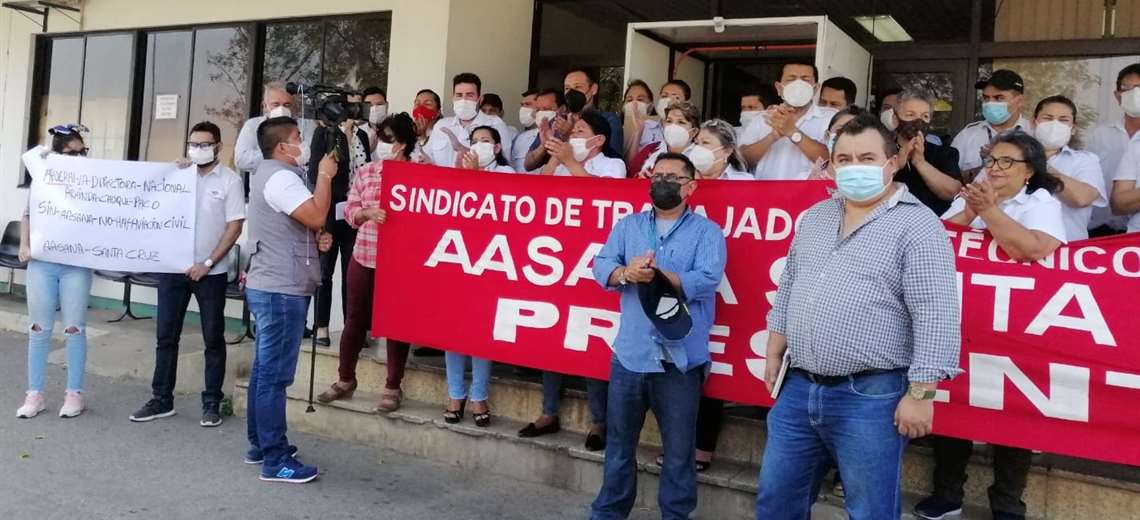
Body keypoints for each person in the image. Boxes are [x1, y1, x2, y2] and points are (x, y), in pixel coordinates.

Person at [756, 113, 961, 519]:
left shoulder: (918, 225)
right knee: (776, 502)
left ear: (892, 162)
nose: (854, 168)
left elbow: (935, 313)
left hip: (870, 396)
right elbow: (791, 286)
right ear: (831, 166)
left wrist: (921, 394)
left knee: (870, 511)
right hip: (798, 388)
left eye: (866, 157)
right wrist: (774, 351)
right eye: (844, 159)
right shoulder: (816, 218)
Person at [920, 132, 1065, 520]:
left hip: (1016, 325)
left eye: (1007, 162)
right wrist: (970, 209)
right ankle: (947, 494)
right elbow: (937, 241)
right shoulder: (971, 196)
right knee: (955, 404)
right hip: (963, 319)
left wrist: (990, 212)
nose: (995, 168)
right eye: (991, 161)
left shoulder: (1040, 203)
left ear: (1029, 171)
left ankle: (1007, 503)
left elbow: (1032, 249)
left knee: (1013, 414)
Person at [589, 152, 727, 520]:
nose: (662, 182)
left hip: (679, 360)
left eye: (673, 177)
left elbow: (708, 278)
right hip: (630, 356)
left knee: (679, 453)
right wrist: (625, 272)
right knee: (619, 448)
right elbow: (600, 265)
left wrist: (665, 278)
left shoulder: (707, 233)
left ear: (691, 187)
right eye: (658, 175)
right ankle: (608, 513)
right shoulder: (628, 225)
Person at [128, 122, 245, 427]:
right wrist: (170, 170)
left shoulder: (230, 181)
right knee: (166, 336)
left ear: (218, 147)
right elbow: (151, 204)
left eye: (204, 145)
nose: (197, 149)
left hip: (211, 271)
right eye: (193, 144)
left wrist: (207, 262)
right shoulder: (178, 176)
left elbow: (234, 226)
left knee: (212, 338)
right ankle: (161, 399)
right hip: (173, 269)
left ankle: (211, 402)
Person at [243, 116, 336, 483]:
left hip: (275, 283)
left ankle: (259, 444)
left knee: (264, 372)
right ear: (282, 146)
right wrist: (326, 176)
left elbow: (302, 224)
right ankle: (275, 458)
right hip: (281, 289)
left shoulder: (270, 175)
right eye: (298, 138)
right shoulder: (281, 177)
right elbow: (315, 213)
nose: (304, 143)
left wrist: (318, 238)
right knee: (274, 377)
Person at [316, 113, 415, 412]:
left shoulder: (421, 172)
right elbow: (350, 208)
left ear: (403, 143)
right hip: (365, 254)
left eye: (389, 139)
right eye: (380, 138)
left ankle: (392, 386)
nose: (382, 144)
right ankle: (346, 379)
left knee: (397, 324)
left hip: (402, 261)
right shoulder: (367, 171)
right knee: (355, 321)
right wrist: (366, 214)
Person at [16, 124, 94, 419]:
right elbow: (27, 215)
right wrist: (24, 245)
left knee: (75, 328)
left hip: (76, 264)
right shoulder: (43, 179)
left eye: (82, 151)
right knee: (39, 328)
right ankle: (34, 394)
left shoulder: (91, 182)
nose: (78, 157)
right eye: (71, 152)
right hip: (43, 262)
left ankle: (74, 393)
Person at [306, 112, 371, 347]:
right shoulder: (325, 133)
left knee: (351, 272)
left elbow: (366, 170)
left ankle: (352, 327)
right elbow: (315, 172)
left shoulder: (362, 135)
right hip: (330, 207)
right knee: (325, 269)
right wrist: (342, 136)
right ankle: (321, 326)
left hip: (355, 210)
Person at [740, 61, 835, 180]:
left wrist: (792, 132)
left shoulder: (831, 119)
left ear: (816, 88)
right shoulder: (761, 119)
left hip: (811, 196)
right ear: (779, 88)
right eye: (791, 79)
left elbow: (834, 159)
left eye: (805, 80)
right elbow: (742, 161)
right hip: (764, 195)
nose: (798, 84)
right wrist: (773, 136)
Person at [1032, 95, 1105, 241]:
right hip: (1016, 247)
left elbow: (1081, 198)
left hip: (1068, 253)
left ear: (1073, 129)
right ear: (1034, 123)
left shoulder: (1085, 160)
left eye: (1063, 120)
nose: (1054, 124)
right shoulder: (1011, 156)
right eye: (1047, 118)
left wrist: (1040, 166)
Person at [889, 90, 963, 215]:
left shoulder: (944, 153)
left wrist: (920, 163)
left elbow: (954, 192)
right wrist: (896, 165)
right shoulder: (882, 151)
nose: (918, 122)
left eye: (925, 116)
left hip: (932, 225)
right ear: (895, 119)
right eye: (910, 114)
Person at [1090, 63, 1140, 236]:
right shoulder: (1100, 134)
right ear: (1117, 95)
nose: (1135, 93)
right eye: (1128, 88)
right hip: (1101, 226)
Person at [952, 70, 1032, 175]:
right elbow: (949, 178)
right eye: (986, 98)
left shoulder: (1033, 132)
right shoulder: (968, 134)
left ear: (1019, 101)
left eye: (999, 98)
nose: (990, 103)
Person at [426, 73, 512, 169]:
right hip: (440, 183)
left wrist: (463, 149)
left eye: (469, 95)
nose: (464, 100)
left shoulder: (495, 124)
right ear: (453, 98)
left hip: (477, 183)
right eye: (459, 95)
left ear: (479, 99)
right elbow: (428, 158)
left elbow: (504, 163)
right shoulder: (441, 125)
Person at [235, 83, 315, 173]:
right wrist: (280, 153)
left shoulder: (307, 125)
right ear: (265, 106)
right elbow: (241, 160)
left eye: (287, 104)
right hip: (264, 184)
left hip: (298, 183)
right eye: (276, 104)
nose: (281, 108)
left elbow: (312, 156)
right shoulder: (253, 125)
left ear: (294, 107)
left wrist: (272, 156)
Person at [541, 110, 626, 178]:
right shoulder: (562, 165)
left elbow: (604, 190)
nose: (573, 136)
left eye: (580, 131)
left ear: (599, 140)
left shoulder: (614, 164)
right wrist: (555, 154)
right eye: (573, 132)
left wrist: (570, 162)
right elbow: (540, 189)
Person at [636, 100, 701, 177]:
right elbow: (630, 179)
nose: (673, 126)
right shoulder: (650, 149)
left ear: (694, 132)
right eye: (669, 121)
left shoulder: (701, 156)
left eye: (681, 122)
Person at [564, 68, 623, 148]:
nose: (571, 92)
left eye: (577, 87)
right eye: (567, 88)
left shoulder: (609, 120)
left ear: (593, 89)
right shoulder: (560, 120)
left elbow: (612, 156)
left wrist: (570, 134)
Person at [687, 119, 753, 181]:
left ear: (727, 151)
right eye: (696, 143)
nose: (698, 148)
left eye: (705, 142)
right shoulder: (684, 180)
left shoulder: (743, 181)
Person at [621, 80, 661, 165]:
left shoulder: (659, 129)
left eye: (640, 99)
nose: (634, 104)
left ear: (650, 106)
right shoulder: (617, 129)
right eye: (630, 100)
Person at [411, 88, 442, 163]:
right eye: (417, 104)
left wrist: (422, 137)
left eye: (427, 104)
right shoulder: (406, 131)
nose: (420, 108)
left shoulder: (441, 134)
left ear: (438, 112)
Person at [512, 89, 540, 172]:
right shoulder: (519, 138)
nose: (523, 108)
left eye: (528, 104)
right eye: (522, 105)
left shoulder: (551, 135)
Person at [361, 86, 389, 152]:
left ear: (387, 105)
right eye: (370, 105)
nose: (375, 108)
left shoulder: (398, 132)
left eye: (379, 104)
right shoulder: (358, 133)